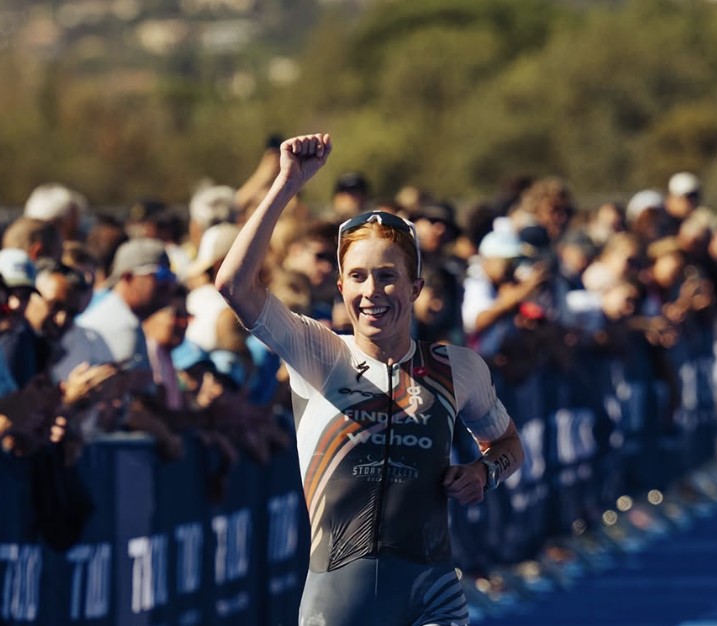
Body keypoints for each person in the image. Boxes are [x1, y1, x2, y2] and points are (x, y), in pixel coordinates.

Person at [215, 134, 524, 626]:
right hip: (338, 601)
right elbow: (233, 284)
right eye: (357, 277)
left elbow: (507, 442)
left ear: (416, 287)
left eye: (387, 277)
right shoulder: (318, 351)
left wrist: (484, 473)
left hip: (434, 595)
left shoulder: (457, 367)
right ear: (340, 286)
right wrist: (287, 183)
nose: (371, 292)